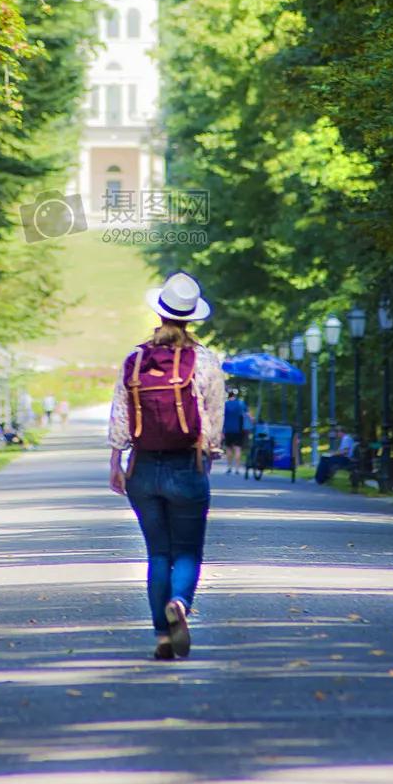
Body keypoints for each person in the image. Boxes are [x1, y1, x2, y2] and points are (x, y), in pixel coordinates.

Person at [108, 271, 225, 661]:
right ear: (191, 317)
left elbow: (120, 415)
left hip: (142, 467)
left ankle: (161, 635)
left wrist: (115, 461)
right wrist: (209, 452)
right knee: (188, 551)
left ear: (159, 313)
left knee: (157, 553)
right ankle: (179, 601)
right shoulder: (205, 360)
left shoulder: (136, 358)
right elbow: (213, 417)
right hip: (186, 464)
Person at [223, 389, 247, 473]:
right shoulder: (240, 404)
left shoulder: (225, 405)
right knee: (237, 449)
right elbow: (245, 414)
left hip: (228, 429)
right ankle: (237, 469)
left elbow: (222, 417)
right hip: (238, 430)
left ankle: (229, 467)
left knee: (229, 449)